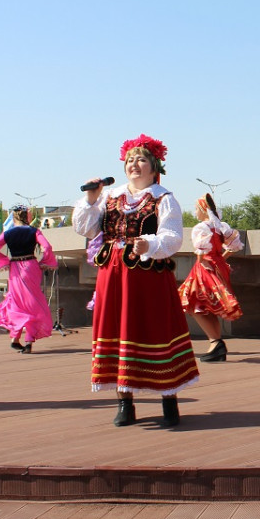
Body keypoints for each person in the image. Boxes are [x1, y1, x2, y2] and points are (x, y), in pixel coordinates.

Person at [73, 134, 199, 427]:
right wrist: (91, 199)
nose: (134, 164)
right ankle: (124, 402)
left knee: (153, 329)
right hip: (113, 274)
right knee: (117, 329)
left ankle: (169, 400)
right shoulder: (109, 197)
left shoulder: (164, 199)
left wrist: (150, 245)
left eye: (141, 159)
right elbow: (87, 228)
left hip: (146, 276)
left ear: (154, 167)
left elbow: (173, 237)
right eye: (130, 160)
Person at [178, 193, 244, 362]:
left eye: (196, 209)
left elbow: (201, 249)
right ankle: (216, 344)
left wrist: (203, 261)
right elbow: (234, 246)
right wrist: (220, 259)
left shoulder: (201, 228)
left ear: (203, 210)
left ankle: (216, 342)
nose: (195, 213)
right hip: (218, 265)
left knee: (192, 302)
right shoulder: (220, 226)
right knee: (206, 305)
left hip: (205, 267)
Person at [0, 205, 57, 354]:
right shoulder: (34, 231)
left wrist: (4, 261)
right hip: (31, 267)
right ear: (27, 216)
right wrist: (45, 261)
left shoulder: (8, 233)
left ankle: (15, 338)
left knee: (16, 302)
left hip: (15, 269)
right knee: (33, 304)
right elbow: (47, 247)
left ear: (13, 217)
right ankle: (28, 341)